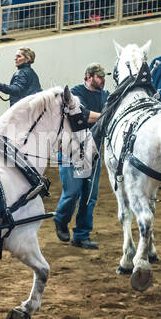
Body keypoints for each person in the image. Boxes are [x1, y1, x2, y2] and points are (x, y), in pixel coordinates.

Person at [53, 63, 106, 249]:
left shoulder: (105, 96)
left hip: (93, 150)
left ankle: (82, 234)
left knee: (90, 196)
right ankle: (61, 219)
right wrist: (106, 115)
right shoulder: (75, 94)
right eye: (99, 76)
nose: (103, 80)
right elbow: (81, 115)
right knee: (73, 192)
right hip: (72, 148)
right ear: (89, 77)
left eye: (103, 76)